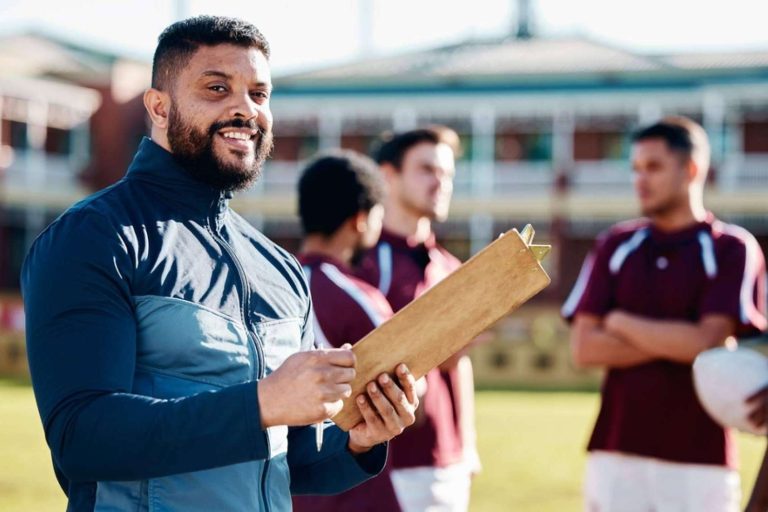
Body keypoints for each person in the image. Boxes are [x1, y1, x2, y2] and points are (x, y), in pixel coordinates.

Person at [21, 16, 418, 512]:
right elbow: (83, 437)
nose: (245, 109)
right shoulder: (93, 236)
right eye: (217, 88)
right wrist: (262, 403)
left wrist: (358, 440)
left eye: (259, 93)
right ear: (159, 107)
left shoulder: (281, 268)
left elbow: (289, 456)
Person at [562, 116, 767, 511]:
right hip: (615, 451)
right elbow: (584, 349)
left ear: (691, 169)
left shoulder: (732, 248)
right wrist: (681, 339)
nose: (640, 179)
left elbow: (707, 342)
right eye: (635, 168)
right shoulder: (615, 244)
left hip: (700, 458)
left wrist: (620, 322)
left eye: (653, 167)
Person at [357, 126, 481, 511]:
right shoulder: (362, 263)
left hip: (449, 462)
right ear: (388, 175)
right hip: (387, 463)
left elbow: (459, 361)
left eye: (447, 174)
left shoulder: (451, 265)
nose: (441, 183)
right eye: (427, 170)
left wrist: (468, 445)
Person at [292, 150, 403, 511]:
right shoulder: (356, 295)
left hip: (286, 487)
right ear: (361, 219)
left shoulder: (270, 285)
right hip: (351, 489)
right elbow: (409, 385)